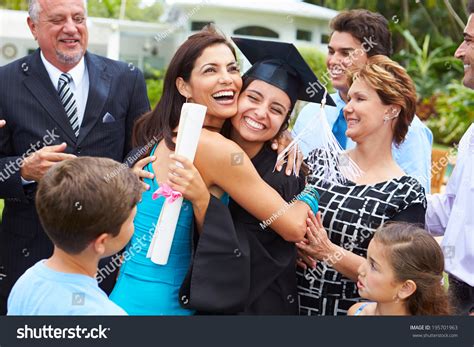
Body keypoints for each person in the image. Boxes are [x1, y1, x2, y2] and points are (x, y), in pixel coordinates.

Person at [110, 28, 320, 315]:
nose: (226, 78)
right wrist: (310, 190)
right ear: (184, 86)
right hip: (167, 307)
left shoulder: (163, 135)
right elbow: (294, 226)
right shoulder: (218, 149)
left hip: (121, 299)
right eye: (210, 70)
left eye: (232, 68)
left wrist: (283, 134)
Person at [0, 0, 150, 314]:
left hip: (105, 258)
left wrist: (132, 174)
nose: (71, 28)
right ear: (33, 27)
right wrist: (23, 169)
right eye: (57, 20)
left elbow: (141, 149)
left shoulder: (126, 78)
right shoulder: (5, 83)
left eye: (78, 18)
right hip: (30, 255)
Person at [169, 37, 332, 314]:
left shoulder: (283, 171)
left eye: (276, 110)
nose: (260, 112)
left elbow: (266, 251)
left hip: (255, 305)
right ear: (237, 96)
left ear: (285, 122)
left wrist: (309, 193)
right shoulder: (208, 142)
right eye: (253, 98)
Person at [296, 55, 427, 316]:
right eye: (349, 98)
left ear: (392, 109)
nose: (347, 107)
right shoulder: (319, 161)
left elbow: (398, 277)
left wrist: (328, 252)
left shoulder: (406, 194)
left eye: (360, 99)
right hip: (287, 305)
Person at [291, 9, 433, 193]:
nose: (334, 61)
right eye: (331, 51)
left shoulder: (408, 129)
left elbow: (416, 204)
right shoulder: (311, 113)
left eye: (346, 53)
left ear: (376, 59)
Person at [7, 157, 142, 315]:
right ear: (101, 242)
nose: (133, 225)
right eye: (132, 220)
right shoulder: (104, 314)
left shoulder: (27, 280)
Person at [425, 0, 474, 316]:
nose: (458, 52)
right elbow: (452, 207)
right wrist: (385, 200)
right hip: (458, 292)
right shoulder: (472, 133)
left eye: (469, 41)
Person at [347, 223, 450, 316]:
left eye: (373, 266)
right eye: (367, 259)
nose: (360, 269)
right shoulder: (356, 312)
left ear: (405, 287)